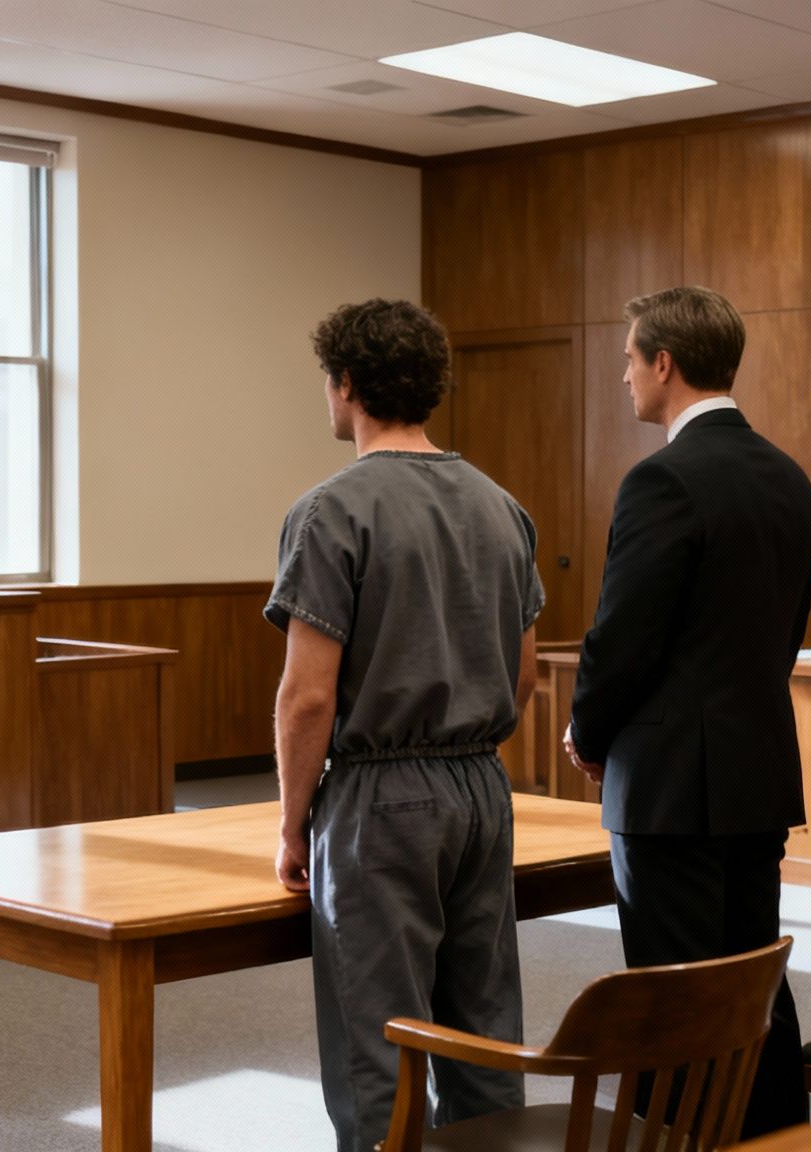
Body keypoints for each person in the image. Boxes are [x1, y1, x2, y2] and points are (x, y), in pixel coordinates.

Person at [266, 298, 543, 1152]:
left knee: (375, 1045)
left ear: (346, 384)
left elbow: (308, 697)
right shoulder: (502, 506)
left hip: (379, 802)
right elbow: (525, 674)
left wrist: (291, 825)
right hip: (479, 786)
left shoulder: (330, 511)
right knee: (482, 1026)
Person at [563, 286, 811, 1140]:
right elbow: (781, 639)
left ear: (664, 364)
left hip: (671, 786)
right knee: (754, 987)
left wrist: (587, 732)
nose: (626, 378)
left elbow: (622, 640)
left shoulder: (663, 480)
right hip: (756, 772)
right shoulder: (789, 477)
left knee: (673, 1000)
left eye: (630, 361)